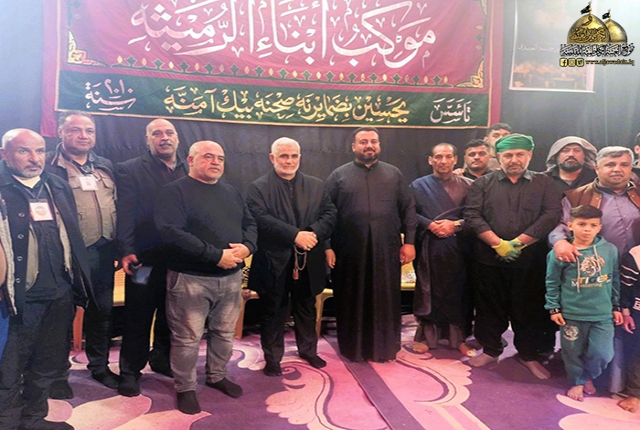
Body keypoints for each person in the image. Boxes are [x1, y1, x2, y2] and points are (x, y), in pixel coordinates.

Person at [0, 129, 96, 430]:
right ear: (5, 155)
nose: (34, 158)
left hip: (59, 292)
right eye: (24, 151)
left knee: (47, 362)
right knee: (9, 367)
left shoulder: (57, 185)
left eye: (40, 151)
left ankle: (33, 418)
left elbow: (73, 236)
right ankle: (7, 422)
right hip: (17, 298)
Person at [155, 140, 257, 415]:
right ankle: (185, 388)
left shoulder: (232, 192)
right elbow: (171, 232)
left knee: (224, 332)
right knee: (187, 338)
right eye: (208, 156)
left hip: (231, 277)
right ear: (190, 160)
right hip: (190, 279)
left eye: (220, 158)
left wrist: (248, 247)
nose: (216, 162)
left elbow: (250, 223)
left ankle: (217, 375)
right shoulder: (173, 192)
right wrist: (215, 255)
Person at [464, 134, 562, 379]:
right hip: (489, 258)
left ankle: (528, 355)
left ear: (530, 155)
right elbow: (472, 215)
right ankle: (491, 350)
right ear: (498, 157)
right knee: (488, 307)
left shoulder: (544, 183)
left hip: (531, 261)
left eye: (520, 154)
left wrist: (517, 244)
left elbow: (551, 214)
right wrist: (498, 244)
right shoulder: (483, 184)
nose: (514, 159)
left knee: (528, 308)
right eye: (508, 155)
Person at [550, 146, 640, 393]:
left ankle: (631, 384)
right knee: (591, 331)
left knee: (630, 325)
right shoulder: (576, 196)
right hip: (595, 275)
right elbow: (561, 227)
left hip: (634, 274)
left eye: (623, 164)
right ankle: (589, 377)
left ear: (631, 168)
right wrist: (559, 242)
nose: (617, 169)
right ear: (597, 168)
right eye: (610, 164)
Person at [246, 137, 336, 376]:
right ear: (272, 158)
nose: (289, 161)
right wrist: (295, 235)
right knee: (273, 310)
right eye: (284, 156)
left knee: (306, 307)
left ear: (300, 157)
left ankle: (308, 350)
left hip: (308, 258)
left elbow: (330, 213)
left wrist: (313, 233)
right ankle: (273, 358)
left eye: (294, 156)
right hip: (273, 260)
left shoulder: (316, 185)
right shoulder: (258, 187)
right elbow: (260, 219)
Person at [325, 126, 416, 362]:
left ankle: (384, 348)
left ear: (379, 145)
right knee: (351, 297)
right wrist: (326, 246)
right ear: (353, 146)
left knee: (384, 297)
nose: (369, 146)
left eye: (373, 141)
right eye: (363, 142)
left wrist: (410, 243)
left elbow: (408, 209)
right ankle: (352, 348)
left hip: (386, 248)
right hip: (348, 249)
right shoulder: (338, 176)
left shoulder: (394, 174)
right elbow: (325, 213)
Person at [46, 111, 119, 393]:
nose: (83, 136)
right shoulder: (49, 165)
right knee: (62, 315)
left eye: (89, 130)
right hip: (65, 254)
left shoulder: (105, 166)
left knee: (102, 311)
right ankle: (57, 375)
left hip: (103, 251)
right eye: (76, 130)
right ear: (61, 133)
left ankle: (100, 367)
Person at [115, 118, 189, 397]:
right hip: (143, 260)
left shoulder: (189, 168)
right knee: (138, 315)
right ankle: (130, 371)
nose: (164, 137)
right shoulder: (130, 169)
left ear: (177, 138)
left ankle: (161, 359)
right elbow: (124, 213)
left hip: (181, 259)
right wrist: (126, 249)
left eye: (169, 132)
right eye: (157, 133)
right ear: (148, 140)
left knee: (172, 315)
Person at [545, 205, 622, 401]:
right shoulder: (559, 253)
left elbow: (614, 279)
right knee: (572, 352)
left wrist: (616, 306)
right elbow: (552, 282)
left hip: (602, 314)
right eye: (582, 224)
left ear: (599, 227)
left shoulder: (609, 250)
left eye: (593, 225)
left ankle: (588, 375)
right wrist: (553, 308)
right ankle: (577, 381)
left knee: (603, 353)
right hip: (572, 314)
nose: (587, 229)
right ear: (570, 226)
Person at [411, 143, 475, 356]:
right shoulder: (418, 186)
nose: (443, 161)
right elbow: (409, 213)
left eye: (448, 156)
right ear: (430, 160)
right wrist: (430, 225)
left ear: (456, 159)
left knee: (459, 291)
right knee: (429, 292)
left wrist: (455, 225)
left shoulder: (469, 186)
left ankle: (459, 339)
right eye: (438, 157)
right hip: (429, 247)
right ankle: (426, 338)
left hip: (460, 247)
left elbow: (476, 216)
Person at [618, 244, 640, 413]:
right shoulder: (635, 255)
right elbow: (625, 288)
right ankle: (635, 393)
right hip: (637, 312)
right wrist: (625, 312)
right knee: (637, 352)